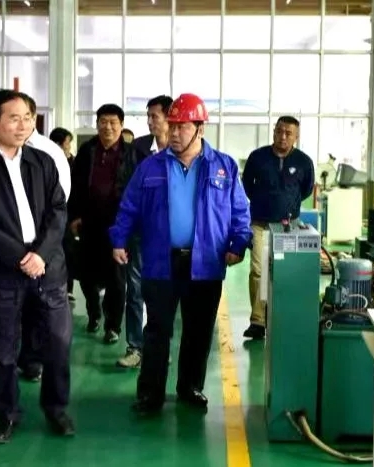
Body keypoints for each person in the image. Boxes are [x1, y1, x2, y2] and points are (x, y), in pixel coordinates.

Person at [109, 93, 252, 414]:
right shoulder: (151, 166)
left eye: (182, 126)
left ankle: (190, 388)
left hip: (205, 262)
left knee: (198, 331)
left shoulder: (224, 167)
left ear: (200, 128)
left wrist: (238, 243)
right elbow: (129, 206)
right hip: (161, 262)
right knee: (157, 331)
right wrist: (119, 239)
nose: (173, 133)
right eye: (171, 125)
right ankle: (150, 395)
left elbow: (240, 212)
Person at [0, 89, 74, 443]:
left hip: (48, 269)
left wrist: (40, 254)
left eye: (28, 118)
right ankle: (6, 414)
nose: (23, 125)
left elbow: (58, 211)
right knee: (3, 348)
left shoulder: (43, 162)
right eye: (14, 118)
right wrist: (20, 257)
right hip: (2, 273)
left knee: (58, 343)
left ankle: (57, 409)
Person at [68, 104, 143, 344]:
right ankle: (94, 313)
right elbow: (75, 186)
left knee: (116, 279)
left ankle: (113, 326)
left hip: (119, 226)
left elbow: (138, 192)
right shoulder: (87, 151)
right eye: (103, 122)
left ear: (121, 125)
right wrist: (74, 216)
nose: (108, 127)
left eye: (113, 122)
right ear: (97, 124)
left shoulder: (133, 154)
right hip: (90, 222)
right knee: (86, 275)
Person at [241, 116, 314, 340]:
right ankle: (258, 321)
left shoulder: (304, 162)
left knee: (285, 272)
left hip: (289, 227)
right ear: (274, 131)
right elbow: (247, 185)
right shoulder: (258, 157)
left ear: (296, 137)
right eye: (279, 131)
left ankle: (281, 318)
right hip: (260, 223)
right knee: (258, 270)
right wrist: (263, 202)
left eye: (288, 133)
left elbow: (306, 189)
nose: (282, 136)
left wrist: (288, 203)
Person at [114, 95, 174, 369]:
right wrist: (122, 235)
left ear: (169, 117)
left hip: (172, 237)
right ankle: (135, 347)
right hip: (141, 234)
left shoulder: (182, 148)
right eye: (148, 116)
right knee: (136, 291)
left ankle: (161, 346)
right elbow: (126, 190)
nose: (150, 121)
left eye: (154, 116)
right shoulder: (137, 149)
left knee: (166, 295)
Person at [49, 126, 77, 300]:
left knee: (68, 251)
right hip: (52, 214)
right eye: (67, 143)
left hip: (69, 214)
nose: (69, 146)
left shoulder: (74, 162)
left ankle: (68, 287)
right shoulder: (47, 161)